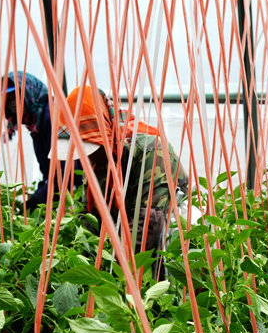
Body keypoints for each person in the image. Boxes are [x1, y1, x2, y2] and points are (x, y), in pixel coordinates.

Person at [55, 84, 188, 257]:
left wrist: (114, 264)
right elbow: (89, 215)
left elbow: (149, 221)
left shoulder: (151, 151)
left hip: (170, 242)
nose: (85, 156)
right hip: (129, 243)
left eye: (89, 148)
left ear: (104, 136)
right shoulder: (97, 164)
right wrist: (85, 255)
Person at [2, 71, 82, 211]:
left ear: (27, 92)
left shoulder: (53, 118)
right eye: (7, 101)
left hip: (88, 186)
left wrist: (37, 200)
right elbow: (49, 172)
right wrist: (38, 197)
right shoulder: (36, 123)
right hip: (74, 188)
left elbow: (65, 173)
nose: (12, 105)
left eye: (14, 98)